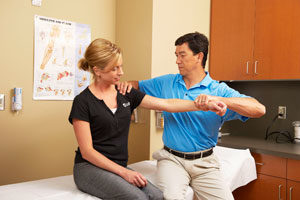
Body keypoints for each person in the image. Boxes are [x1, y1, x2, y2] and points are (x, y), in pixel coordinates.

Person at [68, 38, 228, 200]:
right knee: (139, 198)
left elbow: (167, 104)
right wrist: (124, 173)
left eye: (121, 66)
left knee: (158, 196)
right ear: (97, 70)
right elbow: (87, 152)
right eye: (114, 69)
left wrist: (205, 105)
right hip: (88, 168)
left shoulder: (125, 93)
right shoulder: (83, 102)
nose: (121, 73)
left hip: (117, 166)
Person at [118, 32, 266, 200]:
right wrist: (124, 85)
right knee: (170, 197)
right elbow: (136, 86)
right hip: (172, 160)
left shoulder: (218, 90)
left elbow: (259, 109)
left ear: (199, 56)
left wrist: (218, 99)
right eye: (176, 55)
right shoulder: (167, 82)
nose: (177, 60)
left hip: (205, 164)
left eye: (182, 55)